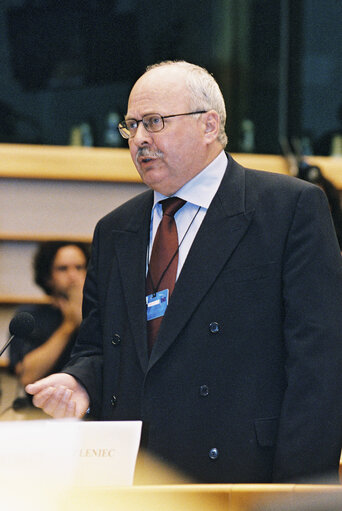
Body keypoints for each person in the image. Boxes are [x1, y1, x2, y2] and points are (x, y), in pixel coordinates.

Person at [26, 61, 342, 484]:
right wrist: (79, 380)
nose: (139, 139)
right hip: (135, 478)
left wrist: (299, 491)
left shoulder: (288, 209)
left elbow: (319, 363)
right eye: (131, 126)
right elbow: (100, 347)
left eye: (154, 122)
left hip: (245, 477)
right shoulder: (115, 230)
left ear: (209, 125)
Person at [10, 241, 90, 387]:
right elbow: (26, 377)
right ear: (48, 276)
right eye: (63, 269)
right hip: (39, 406)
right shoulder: (30, 316)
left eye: (79, 267)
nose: (73, 276)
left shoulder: (103, 313)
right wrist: (69, 325)